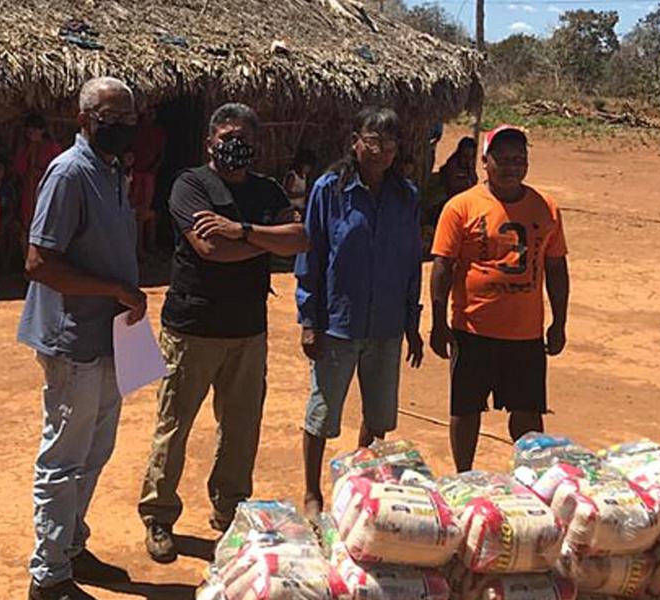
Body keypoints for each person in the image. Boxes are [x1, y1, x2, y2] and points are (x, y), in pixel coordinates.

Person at [138, 103, 308, 563]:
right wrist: (262, 239)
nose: (237, 145)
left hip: (248, 328)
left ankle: (230, 509)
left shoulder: (265, 188)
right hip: (193, 326)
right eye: (228, 136)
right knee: (175, 425)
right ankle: (159, 515)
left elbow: (299, 239)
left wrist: (242, 229)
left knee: (241, 428)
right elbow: (208, 247)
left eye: (246, 137)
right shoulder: (190, 184)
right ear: (210, 141)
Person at [17, 77, 144, 600]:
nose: (121, 128)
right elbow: (38, 261)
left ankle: (70, 544)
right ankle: (47, 575)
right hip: (73, 336)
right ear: (85, 119)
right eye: (111, 118)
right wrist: (114, 287)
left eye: (129, 120)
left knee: (96, 450)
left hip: (113, 334)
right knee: (64, 457)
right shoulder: (69, 172)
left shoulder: (113, 171)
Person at [294, 107, 424, 517]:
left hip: (387, 325)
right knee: (323, 412)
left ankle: (359, 483)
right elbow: (310, 257)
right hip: (338, 323)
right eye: (372, 140)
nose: (380, 150)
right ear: (355, 141)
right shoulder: (329, 191)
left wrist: (412, 324)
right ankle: (312, 492)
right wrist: (309, 321)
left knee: (379, 413)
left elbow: (411, 263)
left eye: (389, 143)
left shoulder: (407, 197)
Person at [428, 125, 570, 473]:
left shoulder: (545, 207)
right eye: (503, 159)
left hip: (526, 332)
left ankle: (531, 474)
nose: (512, 166)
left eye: (519, 159)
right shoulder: (461, 207)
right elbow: (442, 266)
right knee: (465, 408)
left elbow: (556, 268)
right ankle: (464, 474)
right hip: (472, 328)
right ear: (485, 161)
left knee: (527, 410)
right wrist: (438, 322)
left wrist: (559, 322)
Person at [12, 114, 63, 236]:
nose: (31, 133)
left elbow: (59, 169)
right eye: (29, 131)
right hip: (28, 191)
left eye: (35, 130)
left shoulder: (53, 148)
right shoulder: (25, 148)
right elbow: (18, 169)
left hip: (46, 189)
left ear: (42, 130)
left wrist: (41, 173)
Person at [131, 108, 165, 260]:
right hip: (135, 172)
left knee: (146, 210)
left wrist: (154, 168)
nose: (150, 116)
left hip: (148, 173)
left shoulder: (158, 132)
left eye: (153, 113)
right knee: (135, 211)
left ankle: (149, 246)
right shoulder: (135, 131)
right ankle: (138, 249)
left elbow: (161, 153)